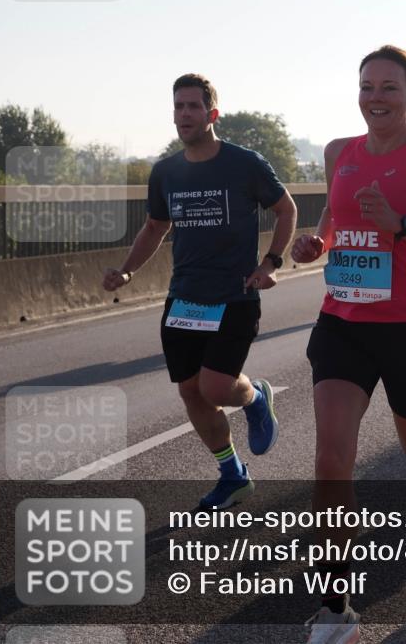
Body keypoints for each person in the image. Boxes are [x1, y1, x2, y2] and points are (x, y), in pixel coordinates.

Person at [292, 46, 406, 640]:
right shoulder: (338, 154)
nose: (376, 97)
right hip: (342, 325)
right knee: (330, 460)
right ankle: (336, 606)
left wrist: (402, 225)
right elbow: (335, 218)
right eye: (367, 86)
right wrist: (317, 244)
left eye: (389, 88)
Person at [102, 73, 296, 509]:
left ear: (212, 113)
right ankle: (233, 474)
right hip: (185, 296)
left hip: (235, 295)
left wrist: (270, 263)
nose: (184, 114)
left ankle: (255, 395)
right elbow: (155, 226)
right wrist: (128, 272)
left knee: (215, 388)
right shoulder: (166, 172)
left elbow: (286, 209)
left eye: (193, 106)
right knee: (191, 392)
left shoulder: (244, 163)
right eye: (178, 107)